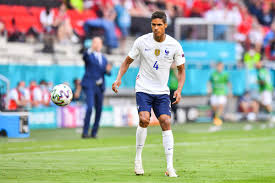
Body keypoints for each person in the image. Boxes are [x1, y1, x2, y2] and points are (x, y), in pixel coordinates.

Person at [112, 11, 186, 177]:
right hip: (143, 88)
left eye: (159, 25)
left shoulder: (174, 45)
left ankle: (170, 167)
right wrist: (118, 79)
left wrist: (179, 89)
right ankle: (138, 159)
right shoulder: (141, 41)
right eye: (153, 25)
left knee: (166, 121)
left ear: (165, 25)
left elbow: (181, 70)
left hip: (161, 91)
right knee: (144, 119)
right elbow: (127, 62)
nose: (156, 28)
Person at [81, 37, 112, 138]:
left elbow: (107, 72)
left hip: (99, 87)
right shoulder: (89, 54)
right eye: (95, 42)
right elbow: (84, 57)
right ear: (92, 44)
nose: (97, 45)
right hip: (89, 85)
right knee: (90, 107)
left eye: (99, 43)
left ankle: (94, 132)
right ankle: (85, 132)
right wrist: (90, 49)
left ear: (101, 44)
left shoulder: (103, 58)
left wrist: (108, 70)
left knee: (99, 110)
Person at [208, 62, 231, 131]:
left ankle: (217, 120)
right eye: (219, 66)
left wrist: (230, 91)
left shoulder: (225, 74)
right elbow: (209, 82)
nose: (220, 68)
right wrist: (209, 89)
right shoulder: (213, 74)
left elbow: (228, 83)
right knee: (214, 107)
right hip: (215, 93)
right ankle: (217, 118)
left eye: (221, 66)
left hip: (222, 93)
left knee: (221, 106)